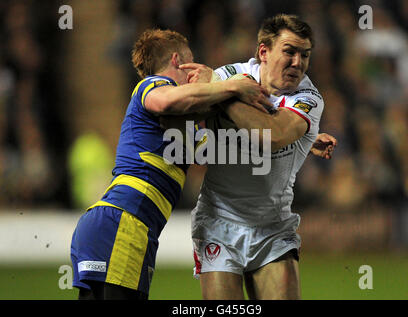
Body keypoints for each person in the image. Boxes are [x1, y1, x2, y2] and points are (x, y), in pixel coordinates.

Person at [69, 28, 271, 300]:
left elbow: (232, 146)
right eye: (191, 65)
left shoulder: (182, 133)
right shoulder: (151, 86)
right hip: (125, 223)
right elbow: (167, 101)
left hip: (115, 224)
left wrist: (300, 137)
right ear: (177, 60)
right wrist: (230, 85)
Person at [189, 14, 337, 300]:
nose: (298, 63)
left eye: (305, 55)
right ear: (264, 52)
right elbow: (187, 111)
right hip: (218, 221)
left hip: (273, 227)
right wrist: (220, 88)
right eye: (290, 52)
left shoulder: (308, 97)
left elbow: (273, 135)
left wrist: (225, 94)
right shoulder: (228, 73)